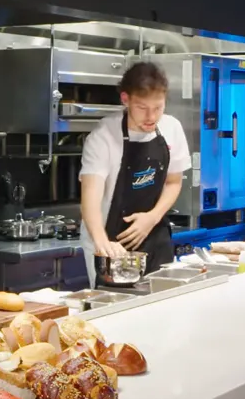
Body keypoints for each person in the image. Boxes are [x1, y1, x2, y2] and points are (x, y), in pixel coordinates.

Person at [78, 61, 190, 287]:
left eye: (158, 107)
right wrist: (101, 242)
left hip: (154, 234)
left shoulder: (172, 128)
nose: (151, 116)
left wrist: (152, 217)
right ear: (125, 99)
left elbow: (173, 182)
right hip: (111, 240)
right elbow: (90, 196)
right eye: (142, 108)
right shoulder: (103, 137)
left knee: (161, 306)